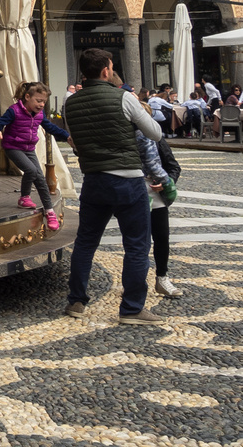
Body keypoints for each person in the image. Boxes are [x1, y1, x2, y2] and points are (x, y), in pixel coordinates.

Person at [61, 47, 165, 325]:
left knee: (85, 241)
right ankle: (132, 308)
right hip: (128, 179)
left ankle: (76, 300)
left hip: (94, 179)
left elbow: (76, 140)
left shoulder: (69, 103)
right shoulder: (124, 97)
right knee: (136, 244)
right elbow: (155, 133)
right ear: (106, 70)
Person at [0, 81, 70, 231]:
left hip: (28, 148)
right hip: (13, 147)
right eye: (38, 101)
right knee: (32, 171)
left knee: (39, 176)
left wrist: (66, 136)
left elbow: (50, 127)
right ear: (27, 97)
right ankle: (26, 197)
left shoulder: (39, 114)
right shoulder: (14, 111)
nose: (41, 105)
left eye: (44, 102)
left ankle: (48, 211)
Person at [136, 112, 183, 299]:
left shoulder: (157, 139)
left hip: (156, 195)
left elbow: (173, 166)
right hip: (134, 193)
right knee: (137, 241)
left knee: (161, 237)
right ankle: (134, 282)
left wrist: (166, 182)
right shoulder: (124, 137)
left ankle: (162, 277)